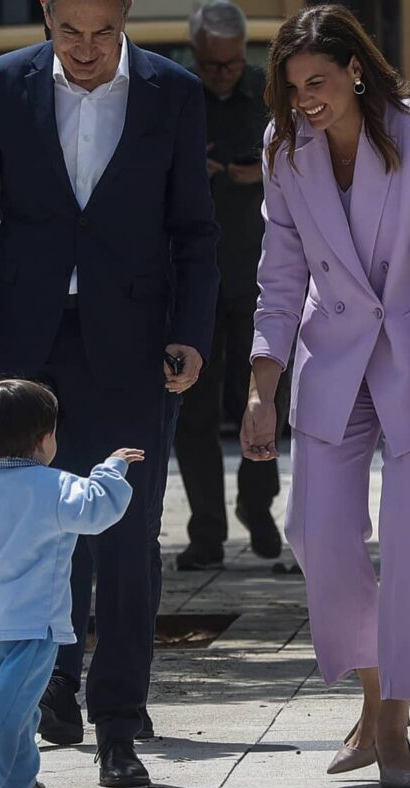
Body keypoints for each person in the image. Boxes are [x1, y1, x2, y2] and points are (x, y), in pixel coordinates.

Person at [0, 0, 219, 787]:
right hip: (19, 340)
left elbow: (195, 232)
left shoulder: (172, 92)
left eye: (102, 32)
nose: (86, 50)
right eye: (69, 32)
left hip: (131, 346)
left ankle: (118, 727)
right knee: (14, 527)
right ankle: (11, 726)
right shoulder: (4, 83)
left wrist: (191, 333)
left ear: (125, 17)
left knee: (124, 537)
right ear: (46, 17)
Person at [240, 5, 410, 788]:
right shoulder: (285, 150)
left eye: (318, 81)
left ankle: (395, 720)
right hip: (334, 357)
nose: (306, 98)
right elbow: (279, 277)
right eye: (292, 87)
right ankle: (372, 695)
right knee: (317, 534)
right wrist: (261, 388)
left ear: (354, 68)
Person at [0, 379, 142, 788]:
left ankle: (17, 784)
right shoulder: (54, 485)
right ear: (45, 439)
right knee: (11, 711)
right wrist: (111, 468)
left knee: (21, 709)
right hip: (35, 626)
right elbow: (99, 508)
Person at [172, 0, 286, 572]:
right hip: (192, 282)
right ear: (196, 56)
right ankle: (206, 531)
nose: (225, 74)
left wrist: (255, 173)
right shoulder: (176, 96)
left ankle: (258, 509)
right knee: (191, 412)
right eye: (214, 66)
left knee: (264, 399)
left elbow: (300, 165)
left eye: (234, 63)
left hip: (261, 275)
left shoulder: (270, 93)